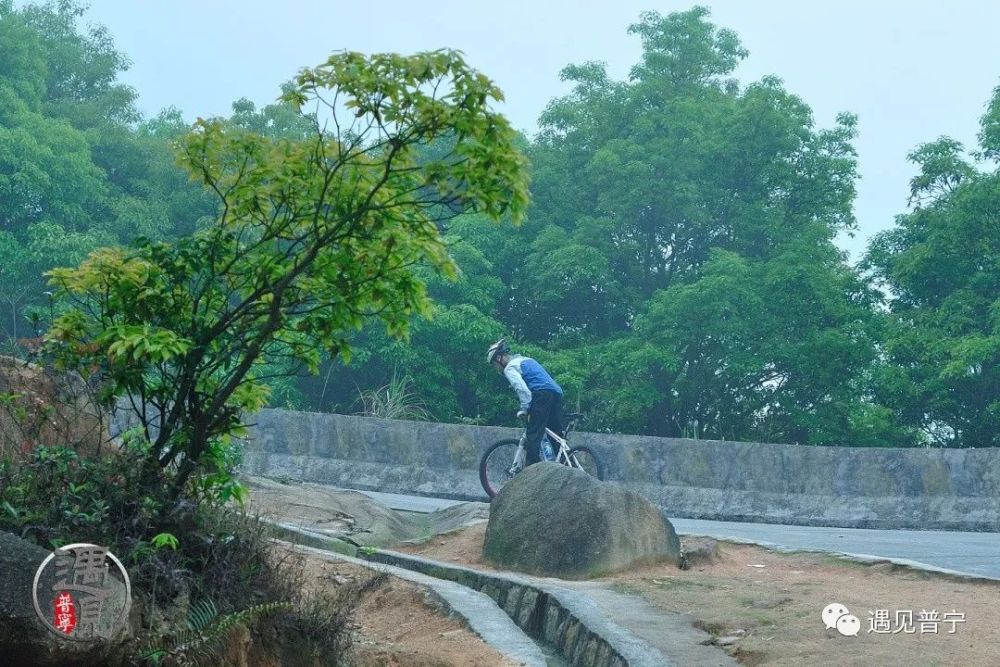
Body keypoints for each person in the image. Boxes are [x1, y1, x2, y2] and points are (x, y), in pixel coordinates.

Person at [486, 338, 564, 465]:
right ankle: (565, 461)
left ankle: (532, 468)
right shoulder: (526, 359)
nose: (497, 369)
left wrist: (525, 409)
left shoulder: (510, 368)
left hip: (541, 394)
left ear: (500, 358)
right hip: (555, 393)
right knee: (555, 433)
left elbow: (522, 390)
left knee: (533, 431)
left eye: (495, 364)